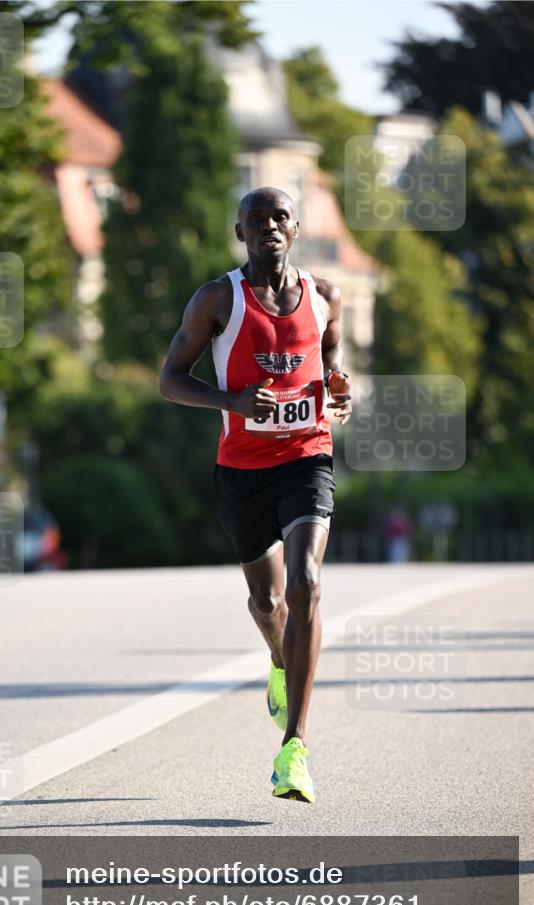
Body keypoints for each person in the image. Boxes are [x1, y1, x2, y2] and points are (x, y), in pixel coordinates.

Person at [159, 187, 351, 803]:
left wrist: (341, 389)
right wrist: (232, 402)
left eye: (279, 218)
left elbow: (330, 363)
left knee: (306, 584)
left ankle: (294, 746)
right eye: (255, 220)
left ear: (295, 228)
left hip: (306, 458)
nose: (269, 227)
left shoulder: (325, 296)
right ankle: (278, 657)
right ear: (240, 233)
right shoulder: (218, 299)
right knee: (268, 602)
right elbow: (171, 379)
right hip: (241, 468)